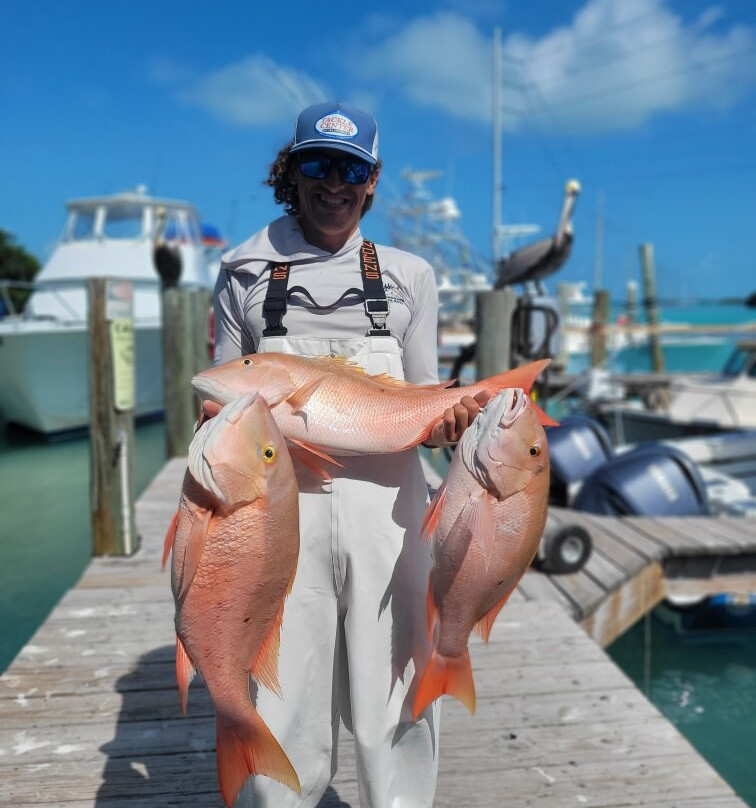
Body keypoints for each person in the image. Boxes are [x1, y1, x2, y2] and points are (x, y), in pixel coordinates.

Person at [212, 101, 487, 808]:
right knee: (280, 689)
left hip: (389, 515)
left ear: (372, 181)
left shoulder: (409, 275)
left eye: (352, 170)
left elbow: (425, 401)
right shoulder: (242, 270)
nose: (334, 183)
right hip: (279, 513)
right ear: (292, 171)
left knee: (396, 689)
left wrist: (451, 422)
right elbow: (214, 402)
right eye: (317, 163)